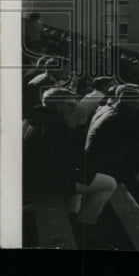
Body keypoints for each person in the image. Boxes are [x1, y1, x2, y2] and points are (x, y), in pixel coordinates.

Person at [24, 87, 118, 226]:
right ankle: (85, 223)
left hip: (32, 177)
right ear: (59, 105)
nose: (72, 108)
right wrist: (86, 170)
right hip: (46, 181)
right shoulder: (55, 125)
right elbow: (64, 161)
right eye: (70, 104)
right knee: (109, 183)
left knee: (83, 179)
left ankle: (71, 214)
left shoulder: (32, 119)